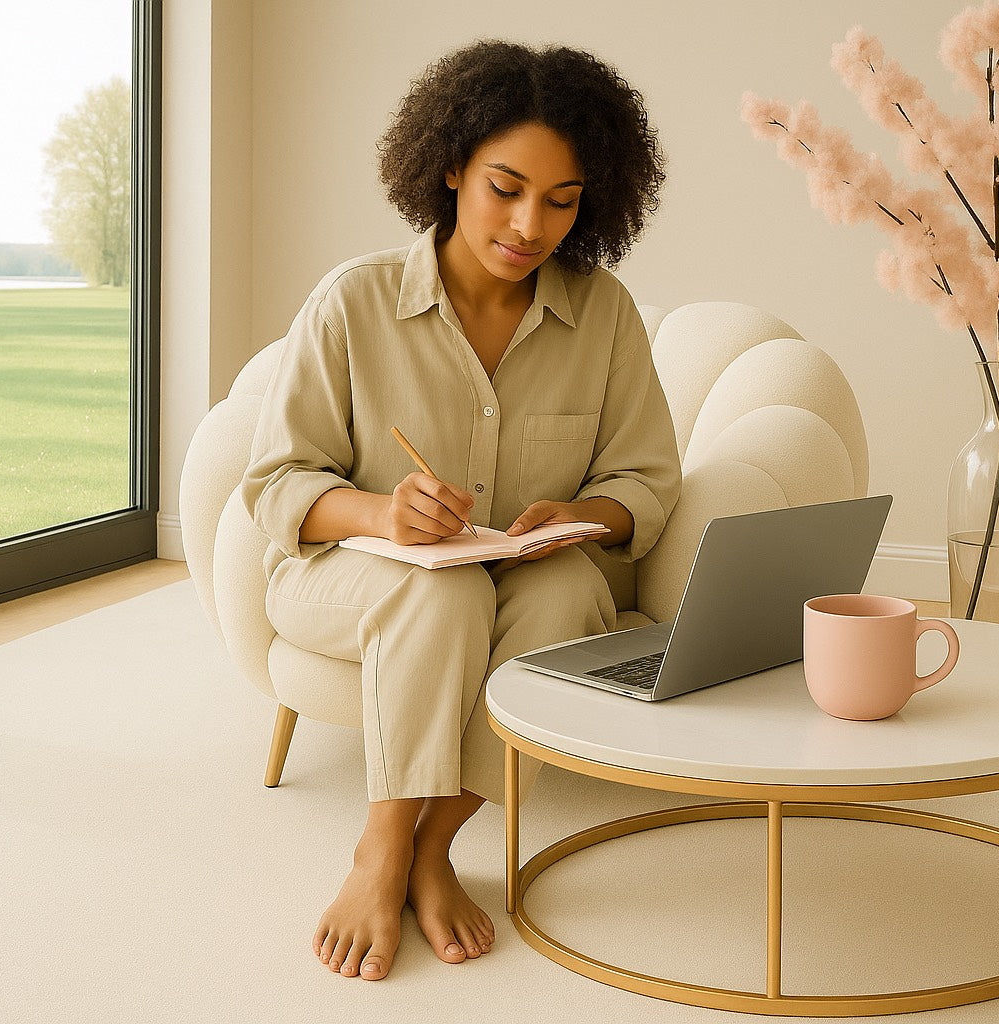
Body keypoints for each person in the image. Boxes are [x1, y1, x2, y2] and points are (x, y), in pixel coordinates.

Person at [240, 39, 681, 982]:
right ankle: (383, 848)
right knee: (438, 598)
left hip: (517, 576)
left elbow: (647, 480)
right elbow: (275, 485)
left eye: (562, 201)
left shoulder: (603, 313)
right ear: (449, 168)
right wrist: (378, 515)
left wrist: (583, 513)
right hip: (343, 577)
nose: (531, 225)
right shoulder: (352, 303)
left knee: (566, 598)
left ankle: (435, 846)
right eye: (505, 188)